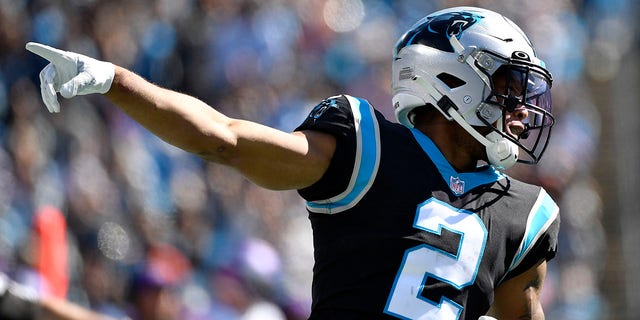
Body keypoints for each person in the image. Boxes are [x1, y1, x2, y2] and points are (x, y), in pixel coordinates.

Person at [26, 6, 559, 320]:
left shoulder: (523, 212)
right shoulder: (366, 148)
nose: (520, 108)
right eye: (507, 86)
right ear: (447, 76)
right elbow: (224, 139)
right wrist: (118, 81)